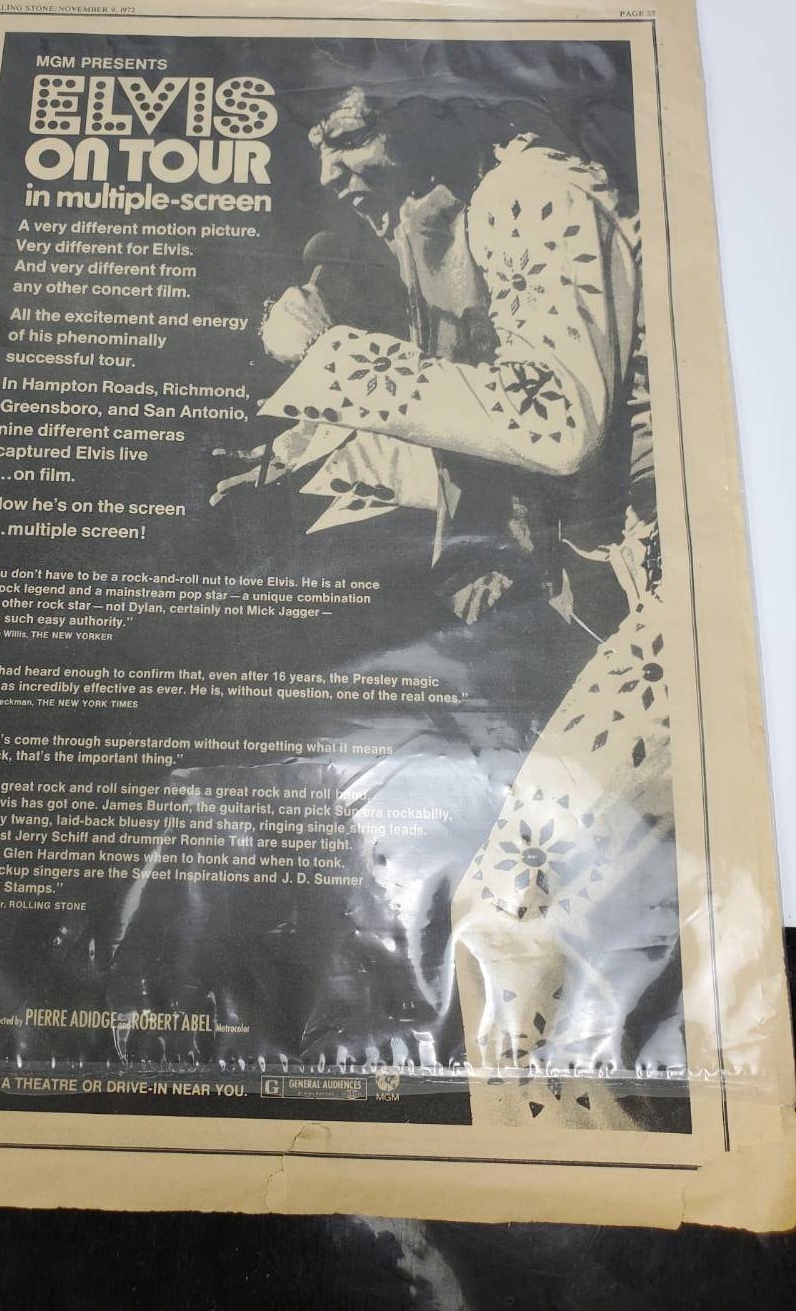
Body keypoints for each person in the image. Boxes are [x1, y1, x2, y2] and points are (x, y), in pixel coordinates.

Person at [220, 85, 680, 1129]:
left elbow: (553, 421)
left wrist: (325, 355)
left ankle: (578, 1199)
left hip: (690, 611)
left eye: (347, 134)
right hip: (665, 604)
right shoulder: (485, 216)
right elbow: (543, 432)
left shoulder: (523, 191)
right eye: (318, 146)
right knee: (566, 944)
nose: (330, 170)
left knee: (516, 924)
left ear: (430, 106)